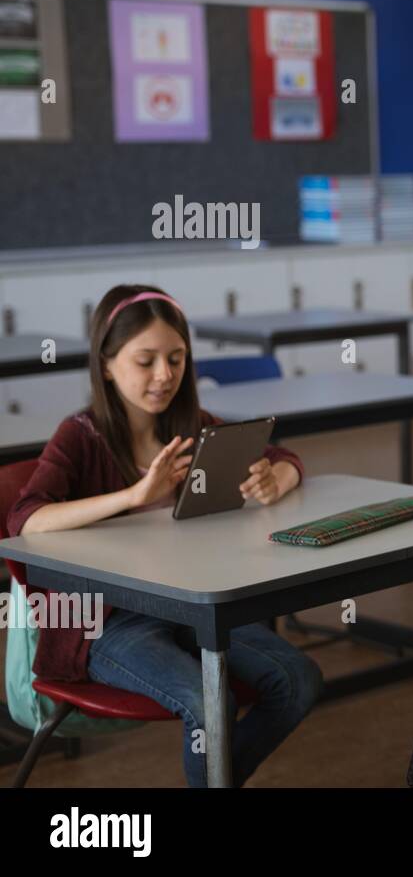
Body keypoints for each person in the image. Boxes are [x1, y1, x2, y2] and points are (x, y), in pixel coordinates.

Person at [7, 285, 323, 787]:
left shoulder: (193, 427)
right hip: (105, 621)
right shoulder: (80, 435)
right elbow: (24, 518)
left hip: (191, 607)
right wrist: (133, 495)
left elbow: (284, 458)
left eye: (177, 359)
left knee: (298, 679)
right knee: (210, 704)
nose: (164, 375)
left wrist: (274, 479)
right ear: (107, 365)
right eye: (145, 360)